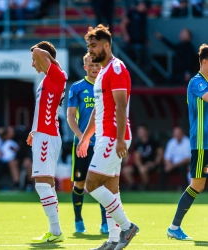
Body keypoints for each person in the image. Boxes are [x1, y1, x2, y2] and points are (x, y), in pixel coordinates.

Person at [76, 24, 139, 250]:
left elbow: (121, 105)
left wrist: (121, 138)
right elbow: (97, 111)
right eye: (88, 46)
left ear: (106, 45)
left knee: (91, 185)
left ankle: (127, 226)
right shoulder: (102, 72)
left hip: (114, 136)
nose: (90, 50)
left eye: (93, 46)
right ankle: (113, 240)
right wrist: (85, 138)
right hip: (105, 136)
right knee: (112, 190)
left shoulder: (117, 68)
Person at [26, 41, 67, 243]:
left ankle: (56, 231)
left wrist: (40, 53)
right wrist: (34, 131)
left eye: (34, 60)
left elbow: (40, 51)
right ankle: (55, 231)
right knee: (47, 184)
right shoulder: (48, 79)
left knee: (41, 185)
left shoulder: (56, 74)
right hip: (43, 134)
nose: (33, 64)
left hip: (47, 135)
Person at [167, 44, 208, 240]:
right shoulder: (197, 82)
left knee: (198, 185)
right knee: (197, 185)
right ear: (205, 62)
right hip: (201, 143)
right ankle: (174, 227)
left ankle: (174, 227)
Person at [67, 53, 109, 234]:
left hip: (101, 144)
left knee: (102, 184)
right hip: (82, 145)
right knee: (80, 183)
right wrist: (82, 137)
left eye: (97, 65)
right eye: (91, 65)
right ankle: (78, 220)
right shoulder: (77, 87)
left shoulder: (106, 87)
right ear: (85, 67)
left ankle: (104, 223)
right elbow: (70, 117)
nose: (95, 67)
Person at [121, 124, 164, 190]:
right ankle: (133, 187)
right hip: (140, 165)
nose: (141, 133)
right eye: (139, 132)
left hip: (151, 164)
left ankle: (146, 187)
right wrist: (140, 166)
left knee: (143, 170)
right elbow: (136, 157)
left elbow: (160, 153)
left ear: (147, 132)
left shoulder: (154, 142)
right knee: (126, 170)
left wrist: (155, 163)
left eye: (142, 131)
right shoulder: (137, 144)